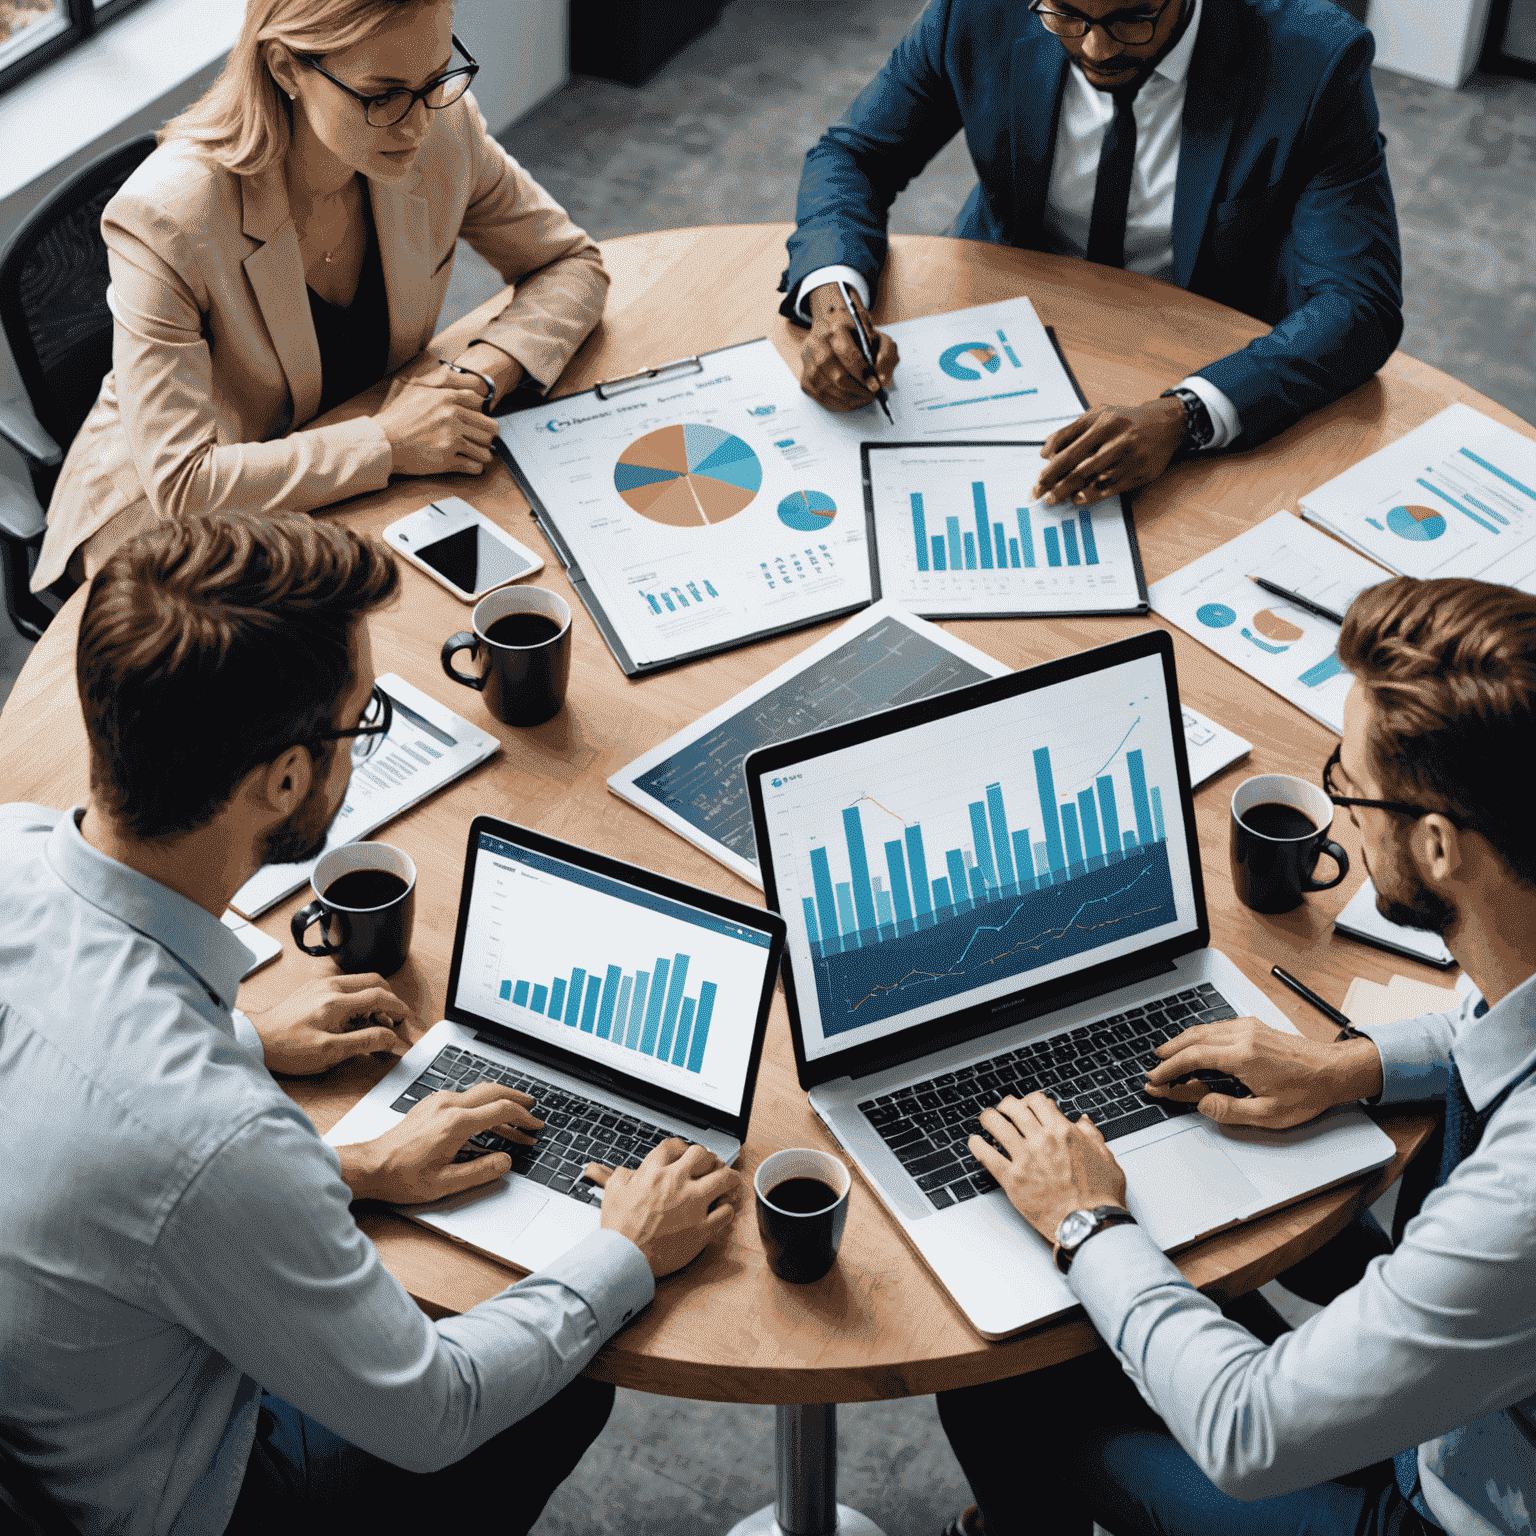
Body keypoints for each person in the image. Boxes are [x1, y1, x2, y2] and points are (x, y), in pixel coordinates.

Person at [0, 512, 741, 1535]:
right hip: (185, 1499)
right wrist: (624, 1248)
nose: (359, 747)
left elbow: (70, 1087)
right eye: (362, 723)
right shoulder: (213, 1139)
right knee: (567, 1378)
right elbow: (439, 1412)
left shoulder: (11, 848)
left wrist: (275, 1076)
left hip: (54, 1400)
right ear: (289, 779)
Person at [933, 574, 1536, 1536]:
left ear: (1434, 846)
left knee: (1012, 1383)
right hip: (1491, 1388)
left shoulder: (1523, 1197)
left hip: (1453, 1506)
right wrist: (1353, 1065)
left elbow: (1247, 1433)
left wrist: (1085, 1218)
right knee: (1286, 1234)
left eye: (1351, 781)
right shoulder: (1520, 930)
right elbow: (1503, 1024)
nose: (1339, 801)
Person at [33, 0, 608, 592]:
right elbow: (184, 485)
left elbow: (571, 263)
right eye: (382, 96)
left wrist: (473, 378)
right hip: (170, 526)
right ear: (285, 68)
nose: (416, 125)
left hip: (346, 462)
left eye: (435, 77)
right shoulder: (167, 217)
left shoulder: (443, 128)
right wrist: (387, 441)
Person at [780, 0, 1402, 511]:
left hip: (1202, 343)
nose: (1097, 50)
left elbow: (1358, 302)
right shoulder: (980, 10)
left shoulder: (1313, 57)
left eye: (1132, 19)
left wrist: (1184, 417)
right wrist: (836, 302)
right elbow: (854, 156)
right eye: (1064, 16)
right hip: (1002, 317)